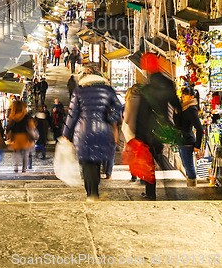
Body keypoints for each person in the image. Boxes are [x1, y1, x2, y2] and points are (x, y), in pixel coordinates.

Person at [63, 66, 122, 201]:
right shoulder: (108, 90)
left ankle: (91, 193)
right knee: (96, 162)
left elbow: (72, 114)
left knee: (87, 163)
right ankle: (94, 191)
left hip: (84, 130)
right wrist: (110, 118)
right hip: (103, 130)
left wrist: (66, 133)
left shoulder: (79, 91)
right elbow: (118, 106)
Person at [136, 52, 181, 200]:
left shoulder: (147, 90)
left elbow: (142, 115)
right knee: (159, 157)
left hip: (149, 130)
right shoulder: (168, 84)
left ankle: (151, 193)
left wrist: (138, 135)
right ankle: (170, 190)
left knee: (150, 163)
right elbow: (176, 105)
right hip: (163, 129)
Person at [173, 86, 203, 187]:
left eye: (185, 95)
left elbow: (200, 129)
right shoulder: (183, 107)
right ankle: (190, 186)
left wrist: (197, 146)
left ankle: (192, 188)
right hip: (182, 140)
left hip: (187, 141)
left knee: (189, 167)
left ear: (191, 96)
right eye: (182, 94)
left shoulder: (191, 109)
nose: (183, 96)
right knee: (186, 166)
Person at [6, 99, 36, 173]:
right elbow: (30, 126)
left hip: (16, 138)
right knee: (25, 154)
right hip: (25, 137)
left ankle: (16, 167)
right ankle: (24, 169)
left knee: (17, 153)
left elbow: (9, 127)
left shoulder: (12, 117)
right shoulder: (26, 116)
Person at [122, 84, 143, 182]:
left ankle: (134, 174)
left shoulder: (130, 101)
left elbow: (126, 119)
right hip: (142, 130)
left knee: (132, 153)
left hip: (130, 131)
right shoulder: (145, 101)